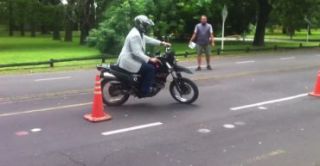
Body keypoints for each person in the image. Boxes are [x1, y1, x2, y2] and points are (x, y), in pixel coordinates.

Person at [117, 15, 171, 97]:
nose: (147, 27)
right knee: (150, 69)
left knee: (151, 66)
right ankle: (144, 91)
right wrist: (150, 59)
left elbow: (148, 39)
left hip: (133, 59)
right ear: (140, 24)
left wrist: (162, 43)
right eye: (146, 25)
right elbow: (137, 52)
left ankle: (144, 83)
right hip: (129, 60)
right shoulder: (135, 35)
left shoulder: (138, 33)